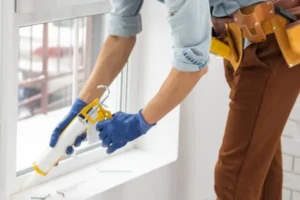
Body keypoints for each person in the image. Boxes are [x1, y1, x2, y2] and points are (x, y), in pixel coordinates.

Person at [49, 0, 300, 199]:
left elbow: (192, 66)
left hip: (273, 43)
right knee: (258, 165)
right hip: (241, 43)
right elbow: (120, 35)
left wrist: (139, 123)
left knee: (232, 179)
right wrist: (81, 107)